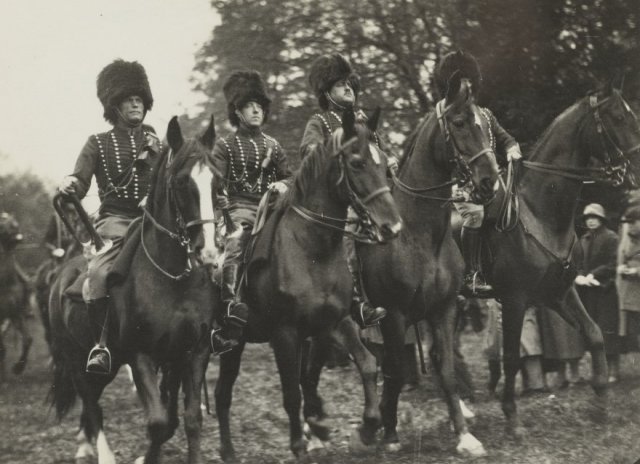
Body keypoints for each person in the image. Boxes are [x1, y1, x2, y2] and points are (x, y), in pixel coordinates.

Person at [58, 59, 161, 374]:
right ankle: (101, 345)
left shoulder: (157, 143)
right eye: (129, 99)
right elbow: (80, 180)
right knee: (100, 273)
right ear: (115, 105)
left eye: (140, 99)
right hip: (115, 222)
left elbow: (172, 181)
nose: (136, 104)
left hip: (154, 222)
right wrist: (70, 183)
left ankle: (205, 329)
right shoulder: (98, 143)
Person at [300, 53, 398, 328]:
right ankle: (357, 301)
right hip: (338, 200)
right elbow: (308, 152)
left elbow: (379, 154)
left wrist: (389, 159)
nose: (348, 89)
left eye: (350, 84)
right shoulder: (319, 121)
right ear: (326, 92)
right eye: (341, 84)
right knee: (348, 230)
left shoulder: (364, 123)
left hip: (369, 193)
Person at [207, 70, 291, 354]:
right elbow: (216, 183)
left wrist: (282, 184)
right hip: (237, 210)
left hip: (271, 210)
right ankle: (230, 303)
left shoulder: (274, 146)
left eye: (259, 106)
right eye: (249, 106)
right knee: (236, 240)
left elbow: (290, 176)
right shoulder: (224, 145)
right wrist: (222, 212)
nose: (256, 111)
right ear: (237, 112)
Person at [435, 50, 522, 297]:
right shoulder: (445, 114)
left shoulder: (485, 114)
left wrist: (512, 149)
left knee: (516, 209)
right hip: (461, 184)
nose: (468, 86)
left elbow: (505, 138)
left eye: (470, 81)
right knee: (475, 215)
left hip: (491, 181)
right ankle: (471, 274)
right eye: (463, 81)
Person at [574, 203, 621, 383]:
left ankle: (613, 370)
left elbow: (613, 263)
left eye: (594, 217)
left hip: (606, 290)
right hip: (588, 292)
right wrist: (580, 276)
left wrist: (595, 274)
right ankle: (598, 371)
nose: (591, 221)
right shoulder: (583, 240)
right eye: (588, 218)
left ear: (601, 219)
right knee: (592, 331)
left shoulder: (611, 237)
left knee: (608, 329)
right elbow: (578, 263)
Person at [616, 202, 640, 356]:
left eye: (633, 223)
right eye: (627, 223)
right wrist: (621, 268)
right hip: (629, 292)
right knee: (633, 332)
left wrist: (637, 271)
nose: (629, 226)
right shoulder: (626, 239)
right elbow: (621, 258)